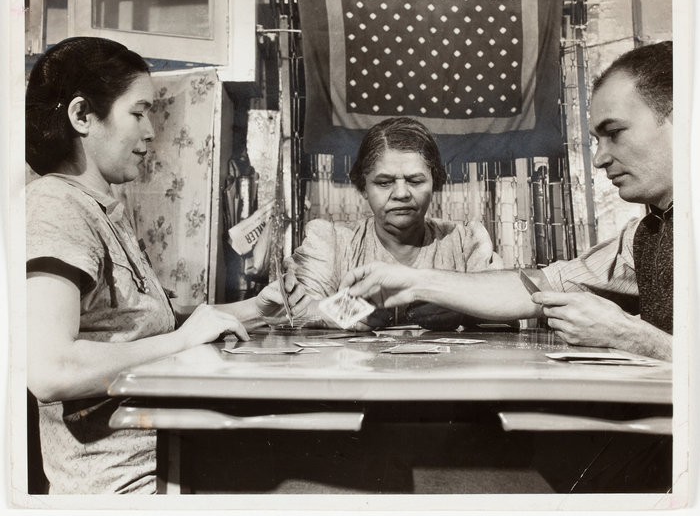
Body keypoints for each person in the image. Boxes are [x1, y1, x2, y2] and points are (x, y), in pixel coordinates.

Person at [25, 37, 310, 494]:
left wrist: (258, 308)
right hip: (124, 486)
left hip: (169, 455)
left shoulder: (100, 210)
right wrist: (181, 340)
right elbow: (50, 369)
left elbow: (133, 331)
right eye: (138, 112)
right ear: (82, 116)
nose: (151, 131)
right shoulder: (52, 206)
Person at [340, 41, 674, 361]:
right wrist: (415, 283)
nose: (599, 158)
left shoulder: (464, 237)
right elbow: (540, 287)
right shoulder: (643, 236)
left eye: (614, 133)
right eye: (384, 182)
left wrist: (631, 336)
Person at [285, 116, 503, 329]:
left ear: (434, 182)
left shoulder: (464, 242)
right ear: (363, 187)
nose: (401, 193)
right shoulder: (332, 242)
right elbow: (293, 311)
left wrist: (461, 310)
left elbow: (506, 309)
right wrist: (347, 312)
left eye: (415, 181)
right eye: (384, 183)